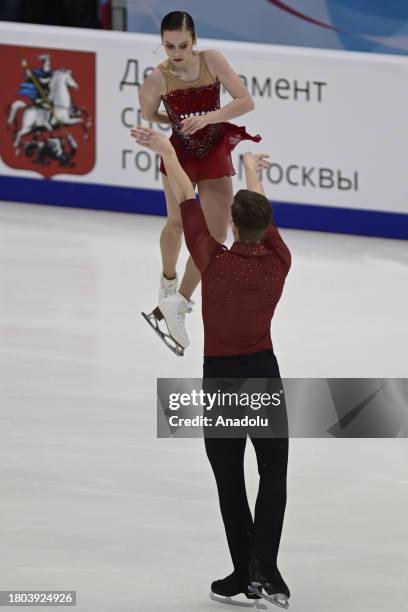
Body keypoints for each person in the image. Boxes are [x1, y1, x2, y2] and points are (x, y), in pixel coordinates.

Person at [131, 126, 292, 609]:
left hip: (221, 378)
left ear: (235, 227)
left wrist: (165, 150)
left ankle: (244, 573)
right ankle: (268, 573)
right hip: (263, 373)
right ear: (265, 229)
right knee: (274, 475)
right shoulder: (279, 260)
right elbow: (264, 216)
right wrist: (250, 172)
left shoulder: (212, 262)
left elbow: (186, 197)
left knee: (229, 479)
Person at [138, 10, 260, 355]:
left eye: (182, 45)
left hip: (214, 150)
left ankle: (177, 306)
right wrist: (172, 122)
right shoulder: (158, 78)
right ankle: (167, 279)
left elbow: (245, 102)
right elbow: (148, 113)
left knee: (217, 235)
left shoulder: (212, 61)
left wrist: (208, 118)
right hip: (179, 155)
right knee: (177, 224)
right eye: (168, 46)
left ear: (195, 41)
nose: (175, 52)